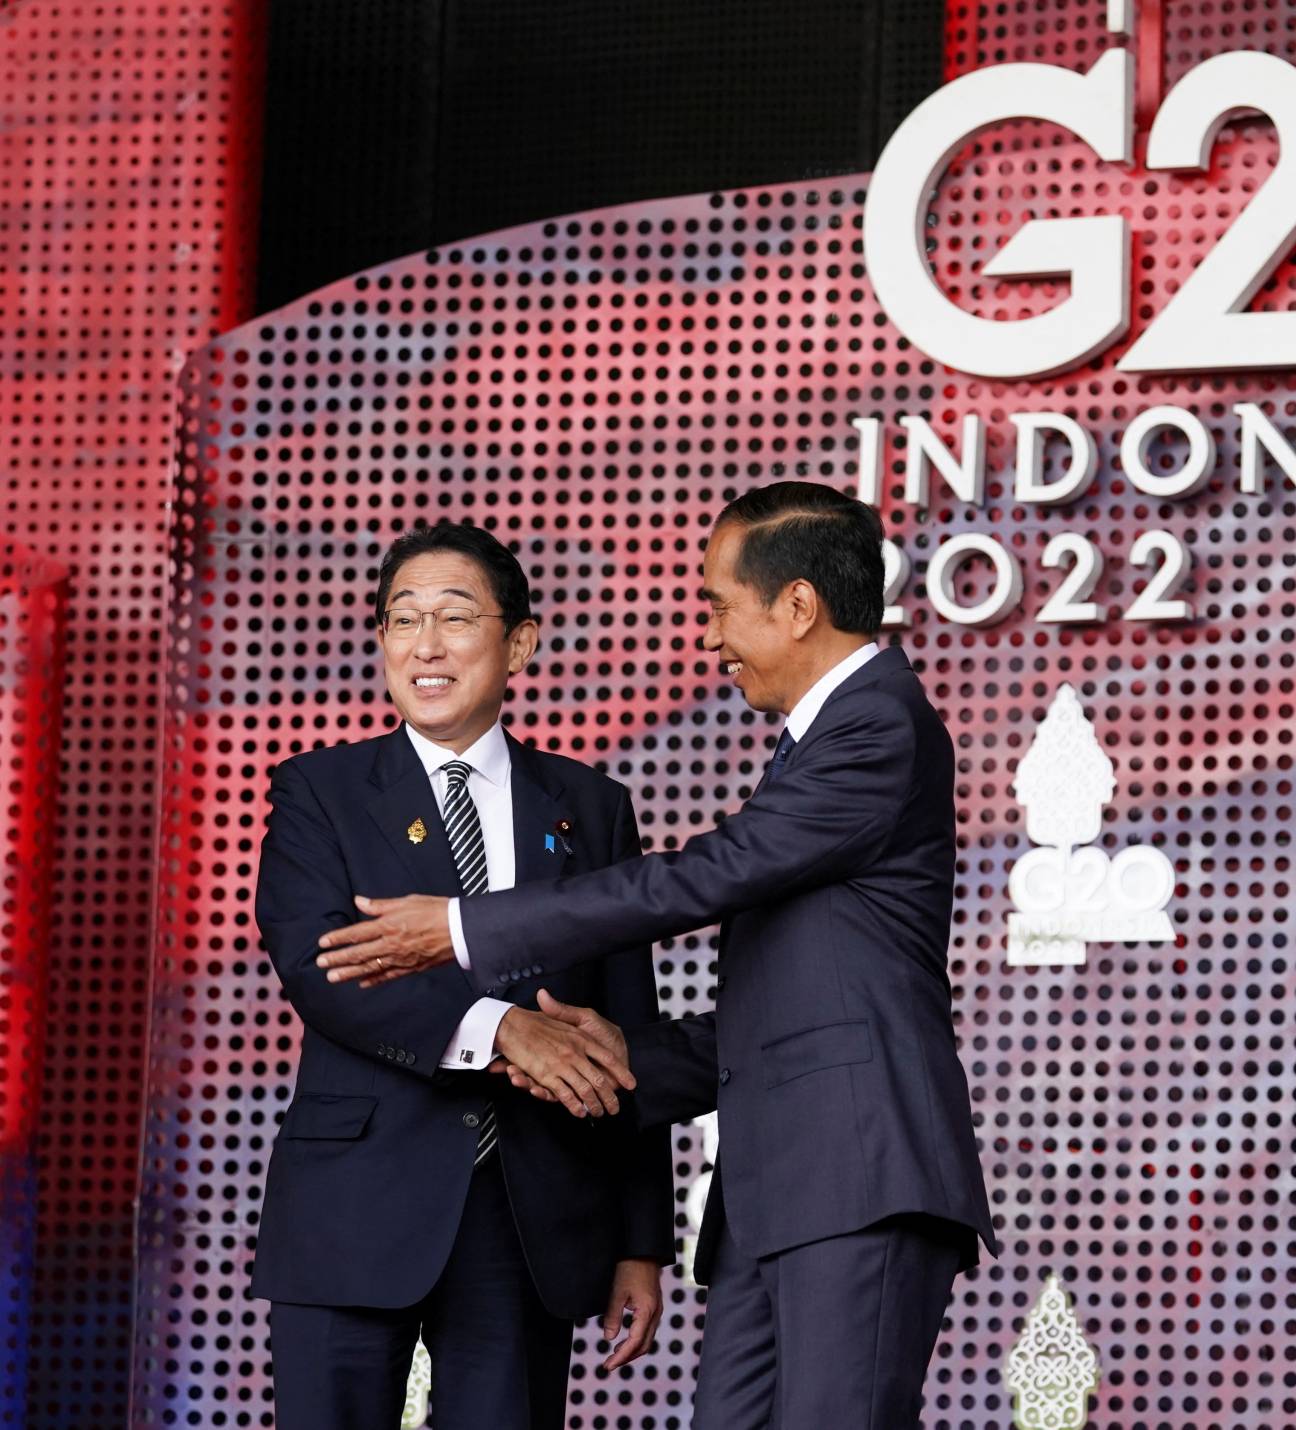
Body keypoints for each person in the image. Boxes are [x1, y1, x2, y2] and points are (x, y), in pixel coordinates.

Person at [315, 481, 998, 1430]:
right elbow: (791, 1007)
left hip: (857, 1173)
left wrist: (467, 925)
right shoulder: (818, 743)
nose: (710, 636)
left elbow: (707, 875)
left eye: (719, 605)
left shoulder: (876, 723)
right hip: (778, 1188)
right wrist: (605, 1058)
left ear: (796, 606)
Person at [251, 522, 671, 1430]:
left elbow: (624, 1026)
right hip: (354, 1206)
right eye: (402, 621)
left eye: (453, 617)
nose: (425, 646)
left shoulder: (592, 807)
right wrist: (502, 1028)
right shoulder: (318, 790)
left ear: (519, 640)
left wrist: (641, 1243)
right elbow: (325, 969)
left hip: (531, 1216)